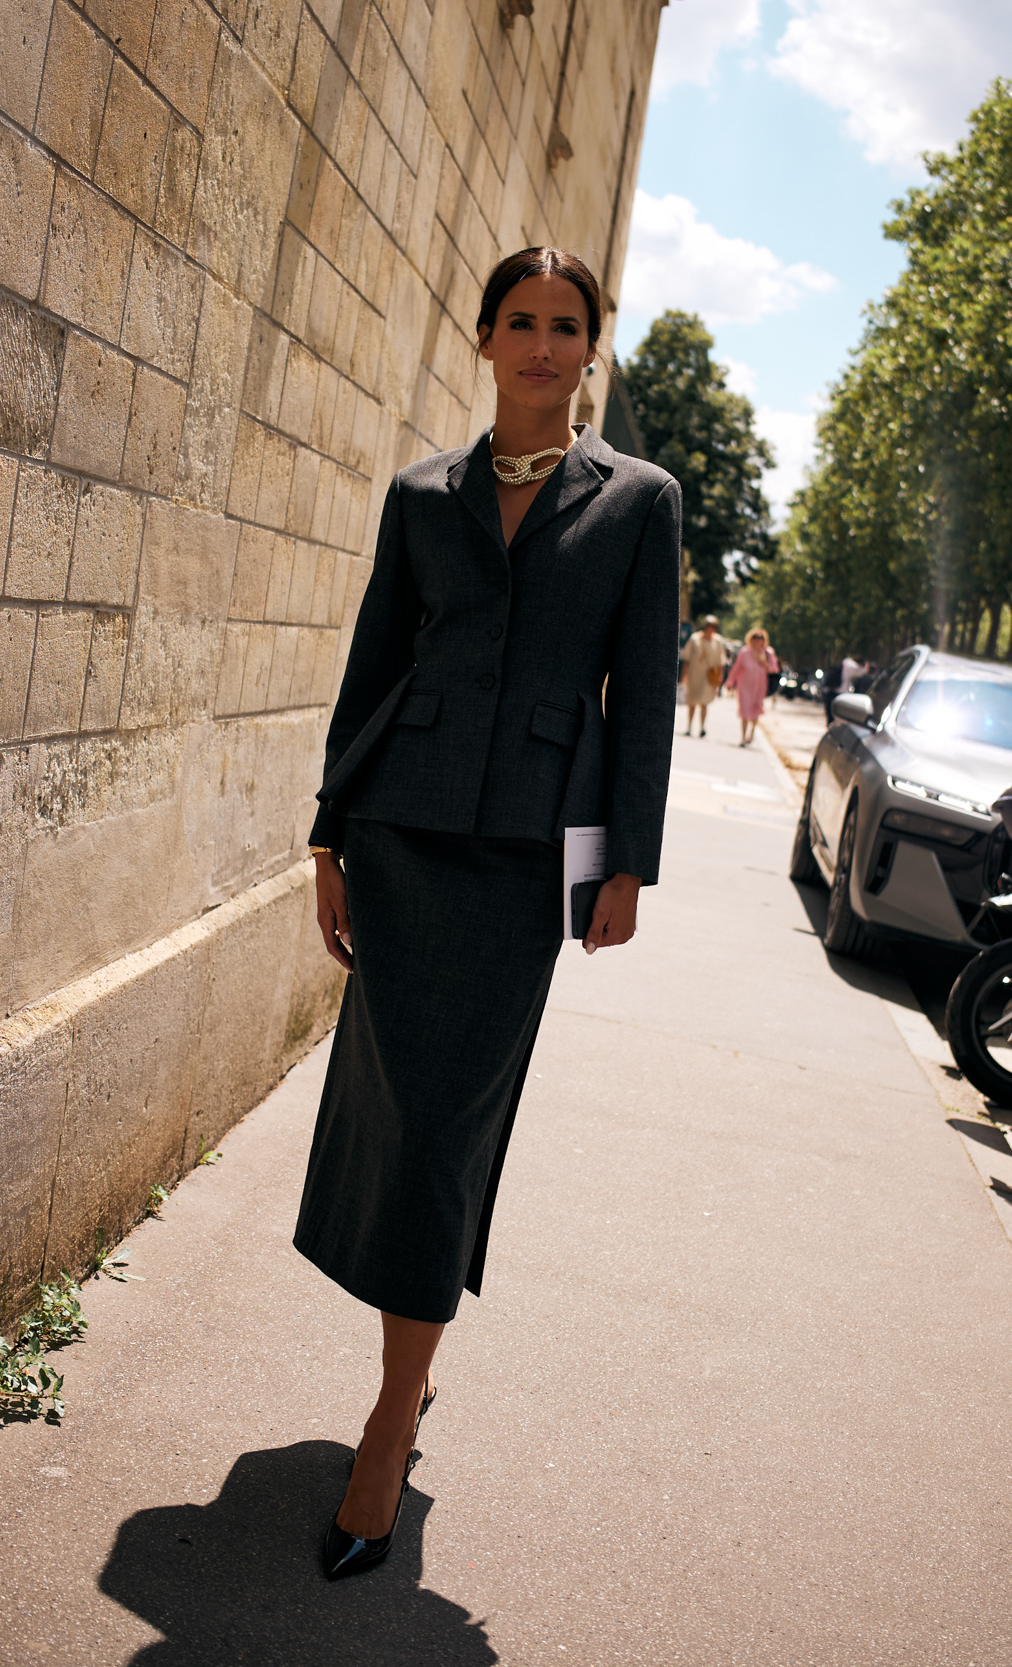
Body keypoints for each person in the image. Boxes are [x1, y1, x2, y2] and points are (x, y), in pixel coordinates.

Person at [298, 247, 678, 1582]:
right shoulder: (421, 496)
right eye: (519, 321)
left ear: (590, 350)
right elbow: (372, 666)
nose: (540, 343)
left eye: (564, 325)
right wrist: (330, 831)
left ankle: (390, 1415)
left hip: (525, 855)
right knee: (393, 1110)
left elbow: (634, 696)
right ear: (484, 339)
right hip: (400, 833)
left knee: (454, 1120)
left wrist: (622, 861)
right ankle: (408, 1365)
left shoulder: (640, 503)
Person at [727, 627, 774, 746]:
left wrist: (764, 663)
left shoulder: (768, 652)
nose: (758, 640)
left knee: (755, 709)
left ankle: (751, 732)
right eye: (755, 637)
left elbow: (774, 669)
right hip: (745, 686)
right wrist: (730, 682)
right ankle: (743, 737)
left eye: (760, 638)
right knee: (744, 709)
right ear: (751, 639)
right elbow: (737, 667)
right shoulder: (744, 652)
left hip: (760, 686)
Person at [682, 615, 728, 736]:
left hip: (709, 675)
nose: (711, 628)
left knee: (704, 702)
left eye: (714, 626)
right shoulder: (695, 638)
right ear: (704, 626)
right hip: (694, 673)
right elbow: (687, 658)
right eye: (709, 625)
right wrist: (683, 676)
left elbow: (721, 662)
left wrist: (720, 678)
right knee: (692, 702)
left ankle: (702, 727)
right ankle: (689, 726)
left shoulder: (718, 641)